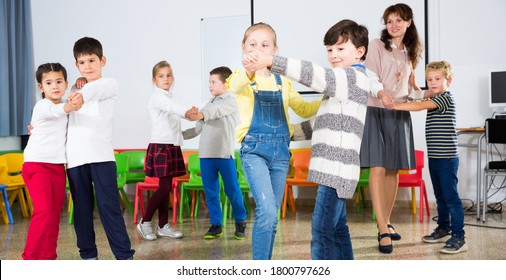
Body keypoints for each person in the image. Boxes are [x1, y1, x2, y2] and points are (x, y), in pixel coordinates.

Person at [243, 19, 371, 260]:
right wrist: (289, 133)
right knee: (337, 229)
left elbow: (315, 74)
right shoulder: (346, 83)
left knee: (322, 230)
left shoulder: (350, 78)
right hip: (338, 170)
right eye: (330, 49)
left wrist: (271, 61)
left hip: (335, 170)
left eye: (341, 49)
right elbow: (321, 122)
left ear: (360, 51)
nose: (333, 55)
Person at [227, 22, 321, 260]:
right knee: (267, 211)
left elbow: (302, 107)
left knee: (273, 215)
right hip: (254, 151)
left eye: (265, 45)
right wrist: (249, 70)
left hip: (280, 153)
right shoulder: (240, 77)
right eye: (253, 44)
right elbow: (236, 86)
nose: (258, 49)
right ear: (243, 48)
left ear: (275, 50)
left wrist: (328, 100)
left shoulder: (283, 82)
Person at [360, 3, 423, 254]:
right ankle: (382, 229)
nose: (394, 25)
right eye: (389, 21)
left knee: (393, 169)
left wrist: (421, 91)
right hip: (375, 109)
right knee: (377, 166)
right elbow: (369, 75)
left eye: (399, 20)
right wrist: (382, 93)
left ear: (408, 22)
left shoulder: (411, 51)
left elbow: (409, 88)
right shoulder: (376, 44)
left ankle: (385, 221)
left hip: (399, 112)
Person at [66, 37, 135, 260]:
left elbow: (93, 91)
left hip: (102, 156)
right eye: (82, 62)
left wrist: (78, 95)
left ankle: (124, 256)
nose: (88, 66)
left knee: (109, 208)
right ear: (77, 65)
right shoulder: (73, 90)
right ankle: (88, 256)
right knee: (82, 211)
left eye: (92, 60)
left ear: (102, 60)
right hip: (75, 159)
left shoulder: (109, 84)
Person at [393, 61, 467, 254]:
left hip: (447, 158)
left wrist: (395, 106)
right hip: (435, 157)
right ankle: (443, 227)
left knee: (451, 197)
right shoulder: (436, 95)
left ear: (448, 80)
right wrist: (415, 84)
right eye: (429, 79)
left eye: (437, 79)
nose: (432, 83)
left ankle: (459, 236)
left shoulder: (445, 98)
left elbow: (419, 105)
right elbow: (420, 95)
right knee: (440, 196)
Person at [21, 63, 82, 260]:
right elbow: (58, 111)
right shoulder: (43, 106)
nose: (54, 86)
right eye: (49, 83)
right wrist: (70, 105)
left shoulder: (65, 106)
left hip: (57, 167)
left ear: (65, 84)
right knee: (44, 211)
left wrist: (80, 85)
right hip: (36, 165)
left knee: (54, 215)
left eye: (58, 82)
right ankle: (29, 258)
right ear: (41, 87)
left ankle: (48, 258)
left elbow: (69, 108)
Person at [183, 66, 247, 240]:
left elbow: (215, 112)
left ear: (226, 83)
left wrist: (201, 114)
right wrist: (179, 136)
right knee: (210, 191)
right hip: (205, 155)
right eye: (209, 82)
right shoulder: (207, 103)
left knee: (232, 190)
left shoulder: (230, 101)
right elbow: (197, 128)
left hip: (224, 154)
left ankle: (241, 220)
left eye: (213, 82)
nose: (210, 85)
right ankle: (216, 224)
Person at [136, 60, 197, 241]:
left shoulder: (171, 97)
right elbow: (175, 110)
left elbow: (175, 127)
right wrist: (188, 112)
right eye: (161, 76)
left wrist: (196, 128)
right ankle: (145, 221)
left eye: (169, 75)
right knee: (164, 187)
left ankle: (163, 226)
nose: (166, 79)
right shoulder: (158, 97)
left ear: (173, 77)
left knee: (166, 186)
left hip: (171, 145)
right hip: (161, 146)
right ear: (154, 80)